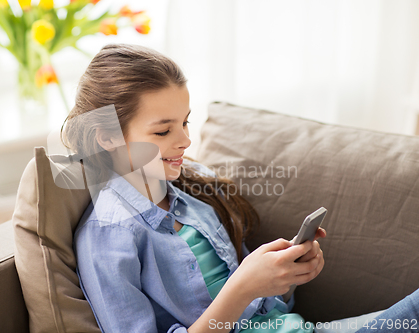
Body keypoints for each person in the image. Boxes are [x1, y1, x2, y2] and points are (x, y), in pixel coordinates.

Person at [63, 43, 419, 333]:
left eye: (185, 123)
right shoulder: (108, 235)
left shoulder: (190, 200)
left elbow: (263, 313)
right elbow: (235, 301)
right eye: (163, 131)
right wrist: (243, 287)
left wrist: (284, 276)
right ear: (107, 136)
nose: (185, 140)